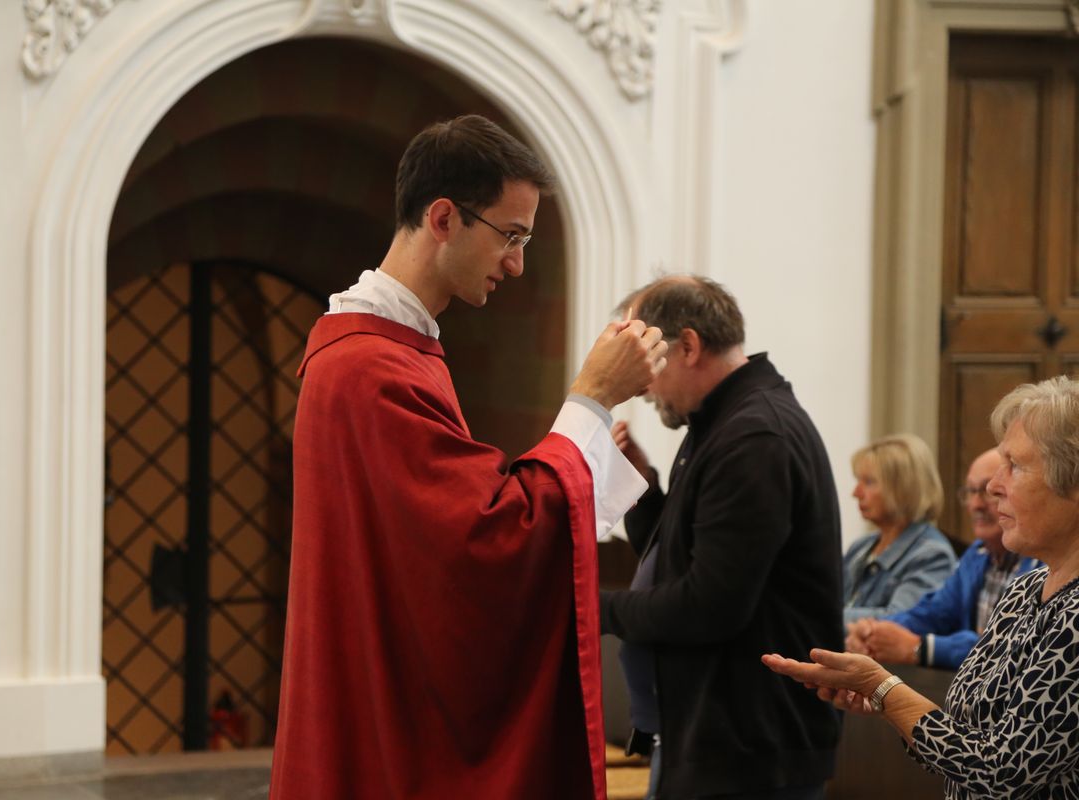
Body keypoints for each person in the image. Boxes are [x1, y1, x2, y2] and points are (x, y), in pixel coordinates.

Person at [268, 115, 668, 800]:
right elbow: (485, 541)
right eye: (510, 236)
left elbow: (451, 524)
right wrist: (591, 401)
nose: (516, 263)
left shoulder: (395, 351)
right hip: (386, 734)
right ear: (445, 217)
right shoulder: (369, 368)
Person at [763, 375, 1079, 799]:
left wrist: (884, 689)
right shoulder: (1026, 590)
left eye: (1015, 466)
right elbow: (965, 733)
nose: (991, 487)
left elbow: (1001, 772)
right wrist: (882, 700)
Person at [600, 276, 842, 799]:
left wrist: (592, 609)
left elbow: (710, 605)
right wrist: (644, 492)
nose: (643, 386)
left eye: (648, 358)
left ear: (688, 345)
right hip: (710, 738)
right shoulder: (721, 425)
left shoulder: (755, 435)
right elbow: (684, 564)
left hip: (748, 751)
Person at [846, 448, 1040, 669]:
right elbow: (930, 613)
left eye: (988, 492)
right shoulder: (977, 555)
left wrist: (921, 647)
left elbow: (1012, 648)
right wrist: (870, 632)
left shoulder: (1043, 563)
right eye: (970, 491)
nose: (975, 504)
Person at [842, 434, 957, 625]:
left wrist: (821, 619)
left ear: (904, 488)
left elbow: (898, 621)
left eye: (869, 482)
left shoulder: (932, 555)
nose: (856, 493)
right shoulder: (860, 547)